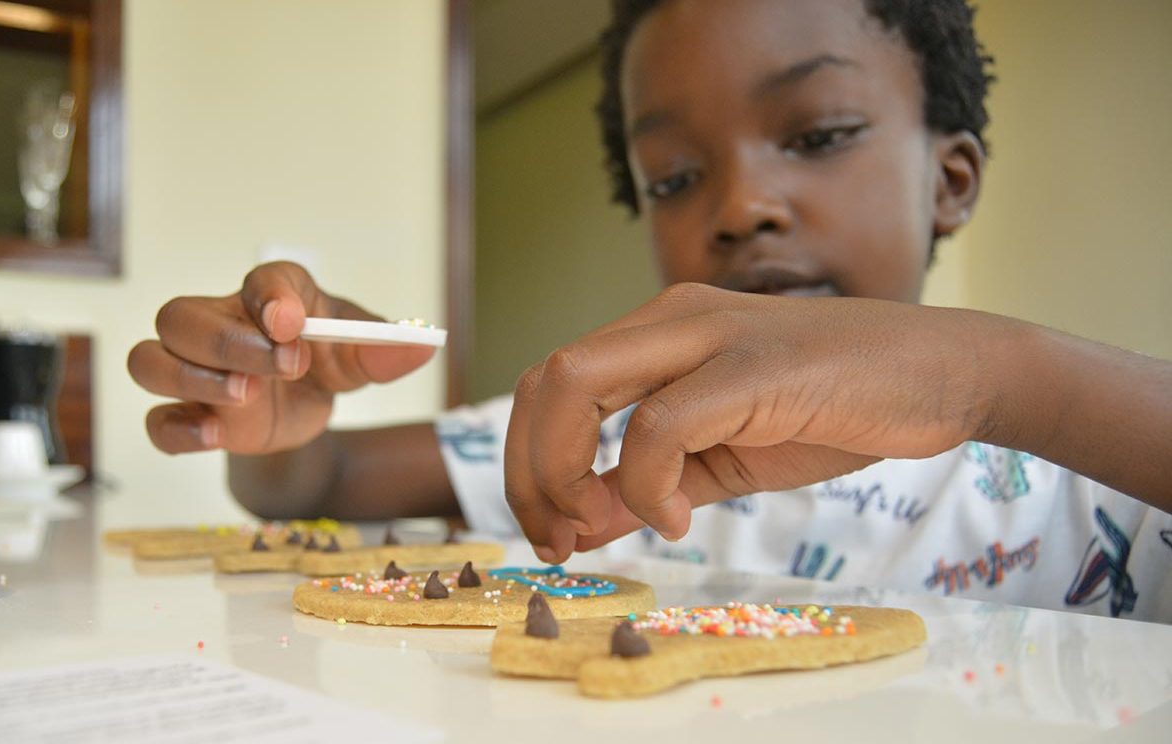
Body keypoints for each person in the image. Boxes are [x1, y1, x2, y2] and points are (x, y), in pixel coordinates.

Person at [127, 0, 1172, 622]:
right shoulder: (588, 436)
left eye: (815, 135)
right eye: (672, 177)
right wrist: (283, 409)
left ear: (947, 180)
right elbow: (317, 483)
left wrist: (989, 379)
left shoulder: (1085, 475)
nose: (739, 207)